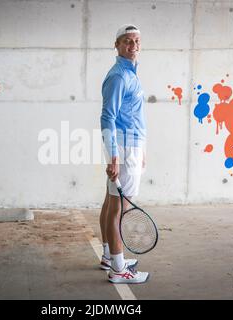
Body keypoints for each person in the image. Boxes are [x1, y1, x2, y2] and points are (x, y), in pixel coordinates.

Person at [99, 24, 149, 284]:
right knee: (119, 208)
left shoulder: (130, 73)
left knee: (110, 203)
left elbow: (133, 115)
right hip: (124, 148)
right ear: (116, 45)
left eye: (137, 41)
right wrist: (114, 156)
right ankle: (119, 269)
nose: (133, 46)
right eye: (127, 41)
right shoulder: (119, 76)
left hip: (130, 146)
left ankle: (110, 256)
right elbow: (108, 117)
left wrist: (141, 149)